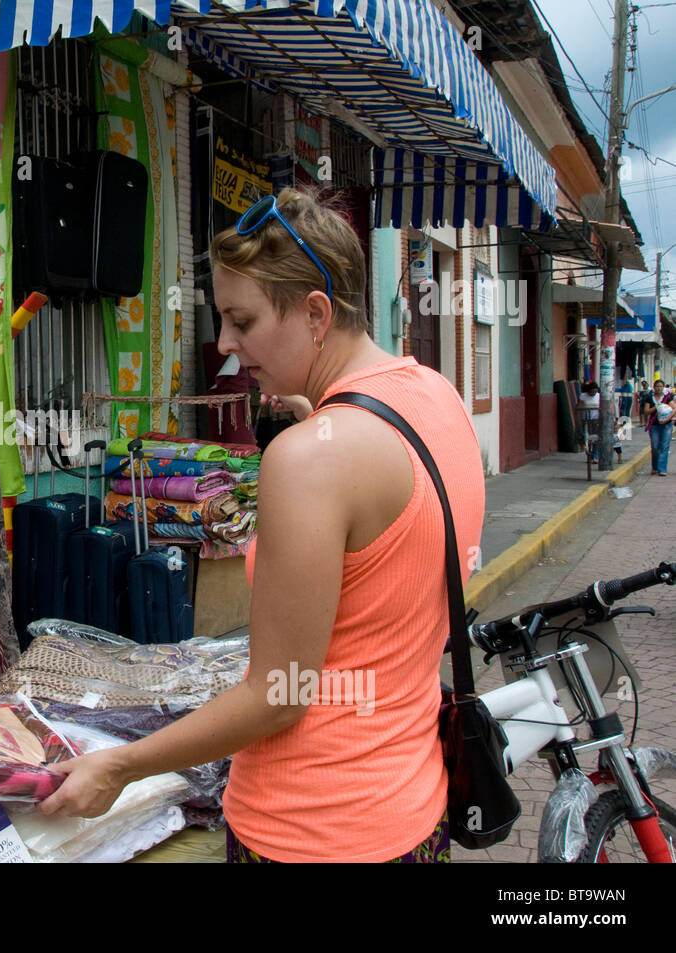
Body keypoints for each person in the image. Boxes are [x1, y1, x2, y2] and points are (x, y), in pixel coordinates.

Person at [39, 188, 485, 863]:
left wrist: (121, 764)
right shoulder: (436, 396)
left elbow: (278, 696)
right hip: (413, 811)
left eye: (241, 321)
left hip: (309, 829)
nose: (224, 344)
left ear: (315, 313)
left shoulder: (309, 459)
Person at [642, 377, 674, 476]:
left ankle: (662, 469)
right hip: (654, 425)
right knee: (655, 446)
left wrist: (668, 419)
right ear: (654, 387)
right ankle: (655, 467)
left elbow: (674, 409)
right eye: (657, 386)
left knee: (664, 446)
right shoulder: (649, 397)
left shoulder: (667, 398)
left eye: (661, 386)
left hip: (666, 425)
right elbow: (646, 411)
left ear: (663, 387)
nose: (659, 388)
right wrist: (657, 406)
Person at [578, 381, 601, 463]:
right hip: (585, 419)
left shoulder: (599, 396)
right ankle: (589, 455)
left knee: (595, 438)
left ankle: (595, 456)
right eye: (592, 391)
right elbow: (578, 406)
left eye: (595, 391)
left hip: (595, 419)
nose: (593, 393)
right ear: (588, 390)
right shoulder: (583, 396)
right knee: (586, 438)